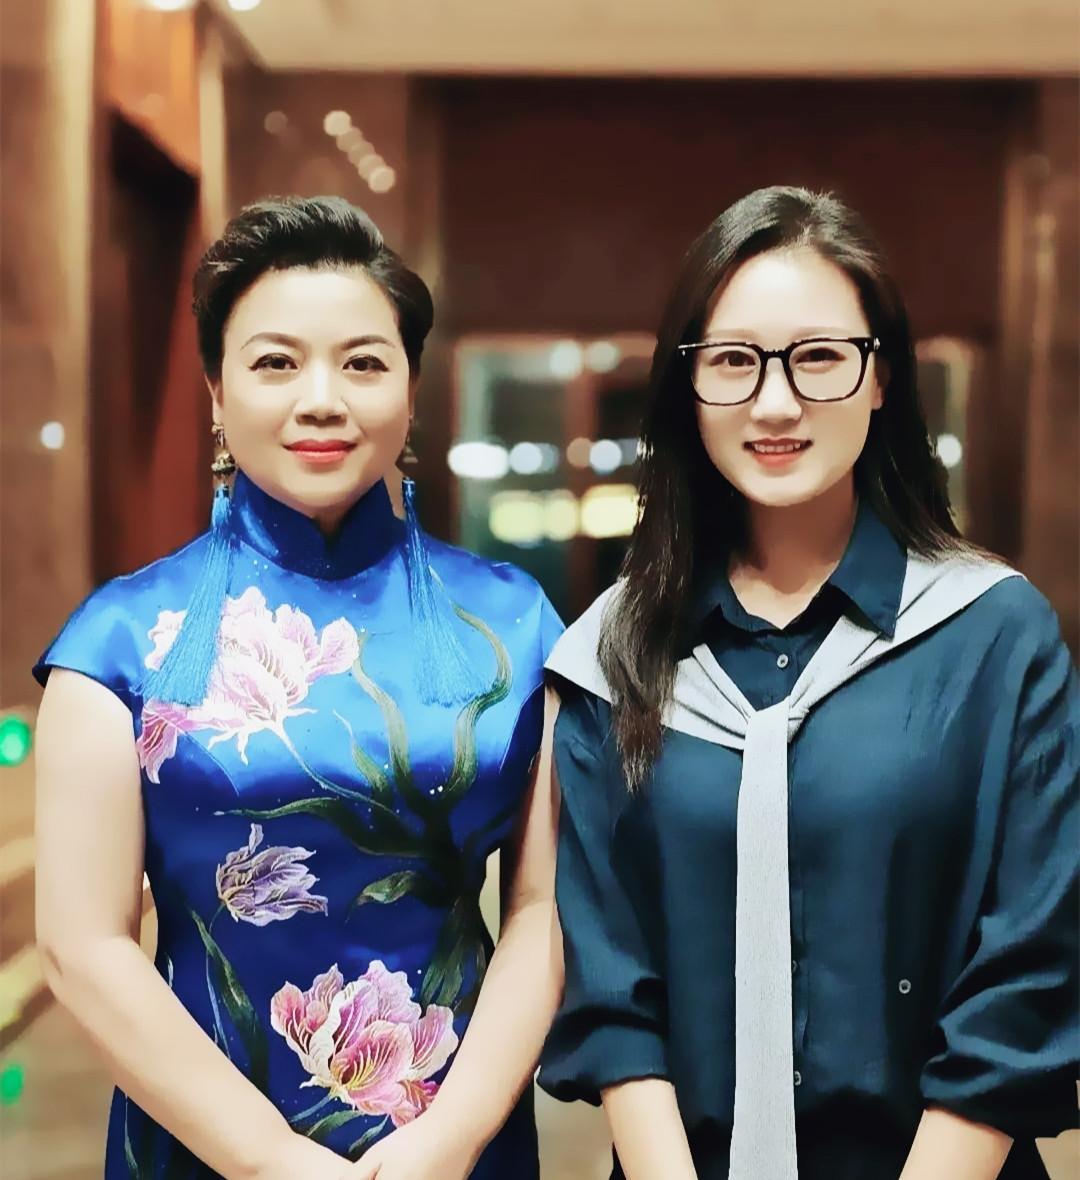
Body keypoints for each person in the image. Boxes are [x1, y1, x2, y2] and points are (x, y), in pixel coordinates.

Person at [538, 186, 1078, 1180]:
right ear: (687, 386)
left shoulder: (994, 638)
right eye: (733, 360)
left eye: (820, 356)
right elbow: (610, 984)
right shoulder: (612, 656)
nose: (776, 402)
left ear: (881, 378)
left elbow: (1030, 969)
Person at [34, 196, 564, 1179]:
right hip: (204, 1140)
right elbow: (81, 944)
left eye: (363, 362)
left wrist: (452, 1138)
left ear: (411, 388)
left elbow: (546, 909)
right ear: (216, 389)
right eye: (276, 362)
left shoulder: (516, 625)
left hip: (454, 1146)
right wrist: (270, 1160)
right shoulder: (119, 642)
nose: (322, 399)